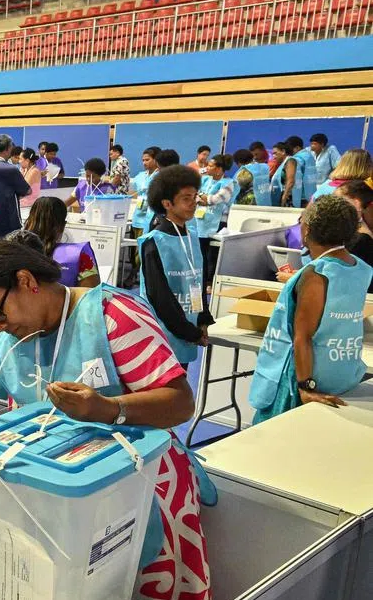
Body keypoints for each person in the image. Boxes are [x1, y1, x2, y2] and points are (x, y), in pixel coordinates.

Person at [0, 240, 215, 600]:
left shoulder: (112, 317)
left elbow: (180, 403)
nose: (0, 326)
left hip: (143, 490)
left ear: (26, 280)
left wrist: (110, 409)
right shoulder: (13, 343)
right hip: (67, 503)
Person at [249, 196, 373, 422]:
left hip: (306, 378)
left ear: (308, 230)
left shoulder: (317, 275)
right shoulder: (360, 268)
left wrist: (305, 386)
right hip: (341, 372)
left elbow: (302, 337)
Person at [139, 165, 213, 366]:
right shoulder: (154, 242)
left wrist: (203, 319)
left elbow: (197, 281)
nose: (193, 203)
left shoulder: (193, 238)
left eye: (194, 197)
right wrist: (189, 332)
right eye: (185, 199)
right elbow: (159, 295)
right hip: (164, 332)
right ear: (167, 203)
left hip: (189, 327)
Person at [21, 196, 99, 287]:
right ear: (62, 225)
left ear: (29, 221)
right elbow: (91, 294)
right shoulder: (79, 255)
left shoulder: (15, 253)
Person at [192, 154, 239, 284]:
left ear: (219, 169)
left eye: (211, 166)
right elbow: (195, 195)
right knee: (200, 252)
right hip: (201, 221)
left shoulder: (229, 183)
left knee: (212, 254)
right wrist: (203, 198)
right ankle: (200, 279)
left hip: (218, 223)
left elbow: (215, 200)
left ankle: (209, 282)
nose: (207, 168)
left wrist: (205, 199)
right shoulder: (205, 180)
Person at [337, 181, 373, 292]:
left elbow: (339, 278)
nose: (332, 204)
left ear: (356, 204)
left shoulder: (361, 240)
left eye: (338, 200)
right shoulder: (353, 234)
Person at [288, 135, 319, 207]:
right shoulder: (309, 156)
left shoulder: (297, 159)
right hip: (312, 194)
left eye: (290, 149)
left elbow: (294, 180)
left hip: (301, 197)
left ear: (297, 148)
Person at [271, 141, 295, 207]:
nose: (273, 156)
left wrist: (284, 197)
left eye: (275, 153)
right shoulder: (283, 163)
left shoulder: (290, 161)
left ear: (283, 151)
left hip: (288, 198)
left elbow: (291, 181)